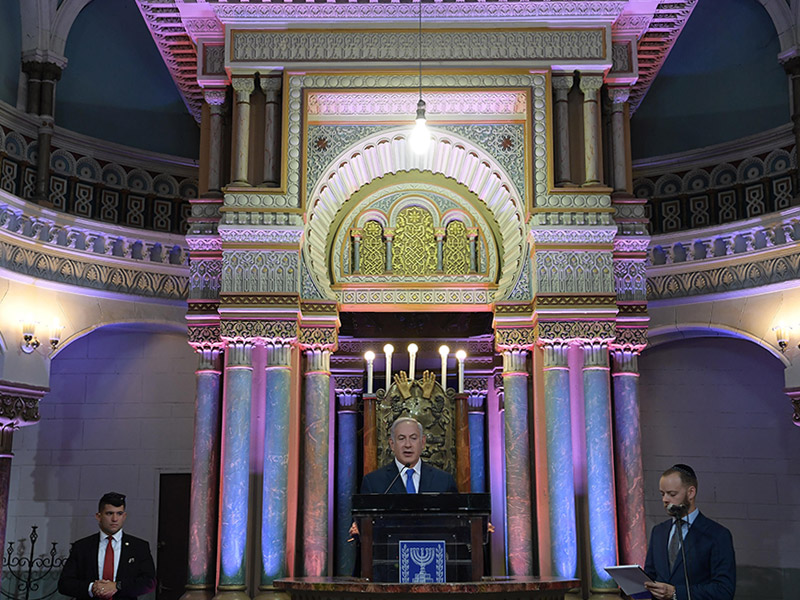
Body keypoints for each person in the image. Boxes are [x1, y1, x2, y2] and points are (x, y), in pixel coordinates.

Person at [643, 464, 735, 600]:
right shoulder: (659, 531)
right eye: (662, 494)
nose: (665, 499)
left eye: (672, 494)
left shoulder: (717, 535)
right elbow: (650, 576)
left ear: (691, 493)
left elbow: (724, 590)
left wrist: (675, 593)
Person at [58, 492, 156, 600]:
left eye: (119, 513)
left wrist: (117, 586)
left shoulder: (139, 547)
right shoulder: (82, 547)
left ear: (124, 516)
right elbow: (64, 584)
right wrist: (92, 588)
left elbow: (149, 582)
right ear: (98, 516)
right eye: (109, 513)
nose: (115, 519)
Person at [360, 412, 458, 494]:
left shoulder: (444, 481)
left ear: (423, 442)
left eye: (413, 438)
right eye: (401, 438)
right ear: (392, 444)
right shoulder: (373, 482)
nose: (408, 444)